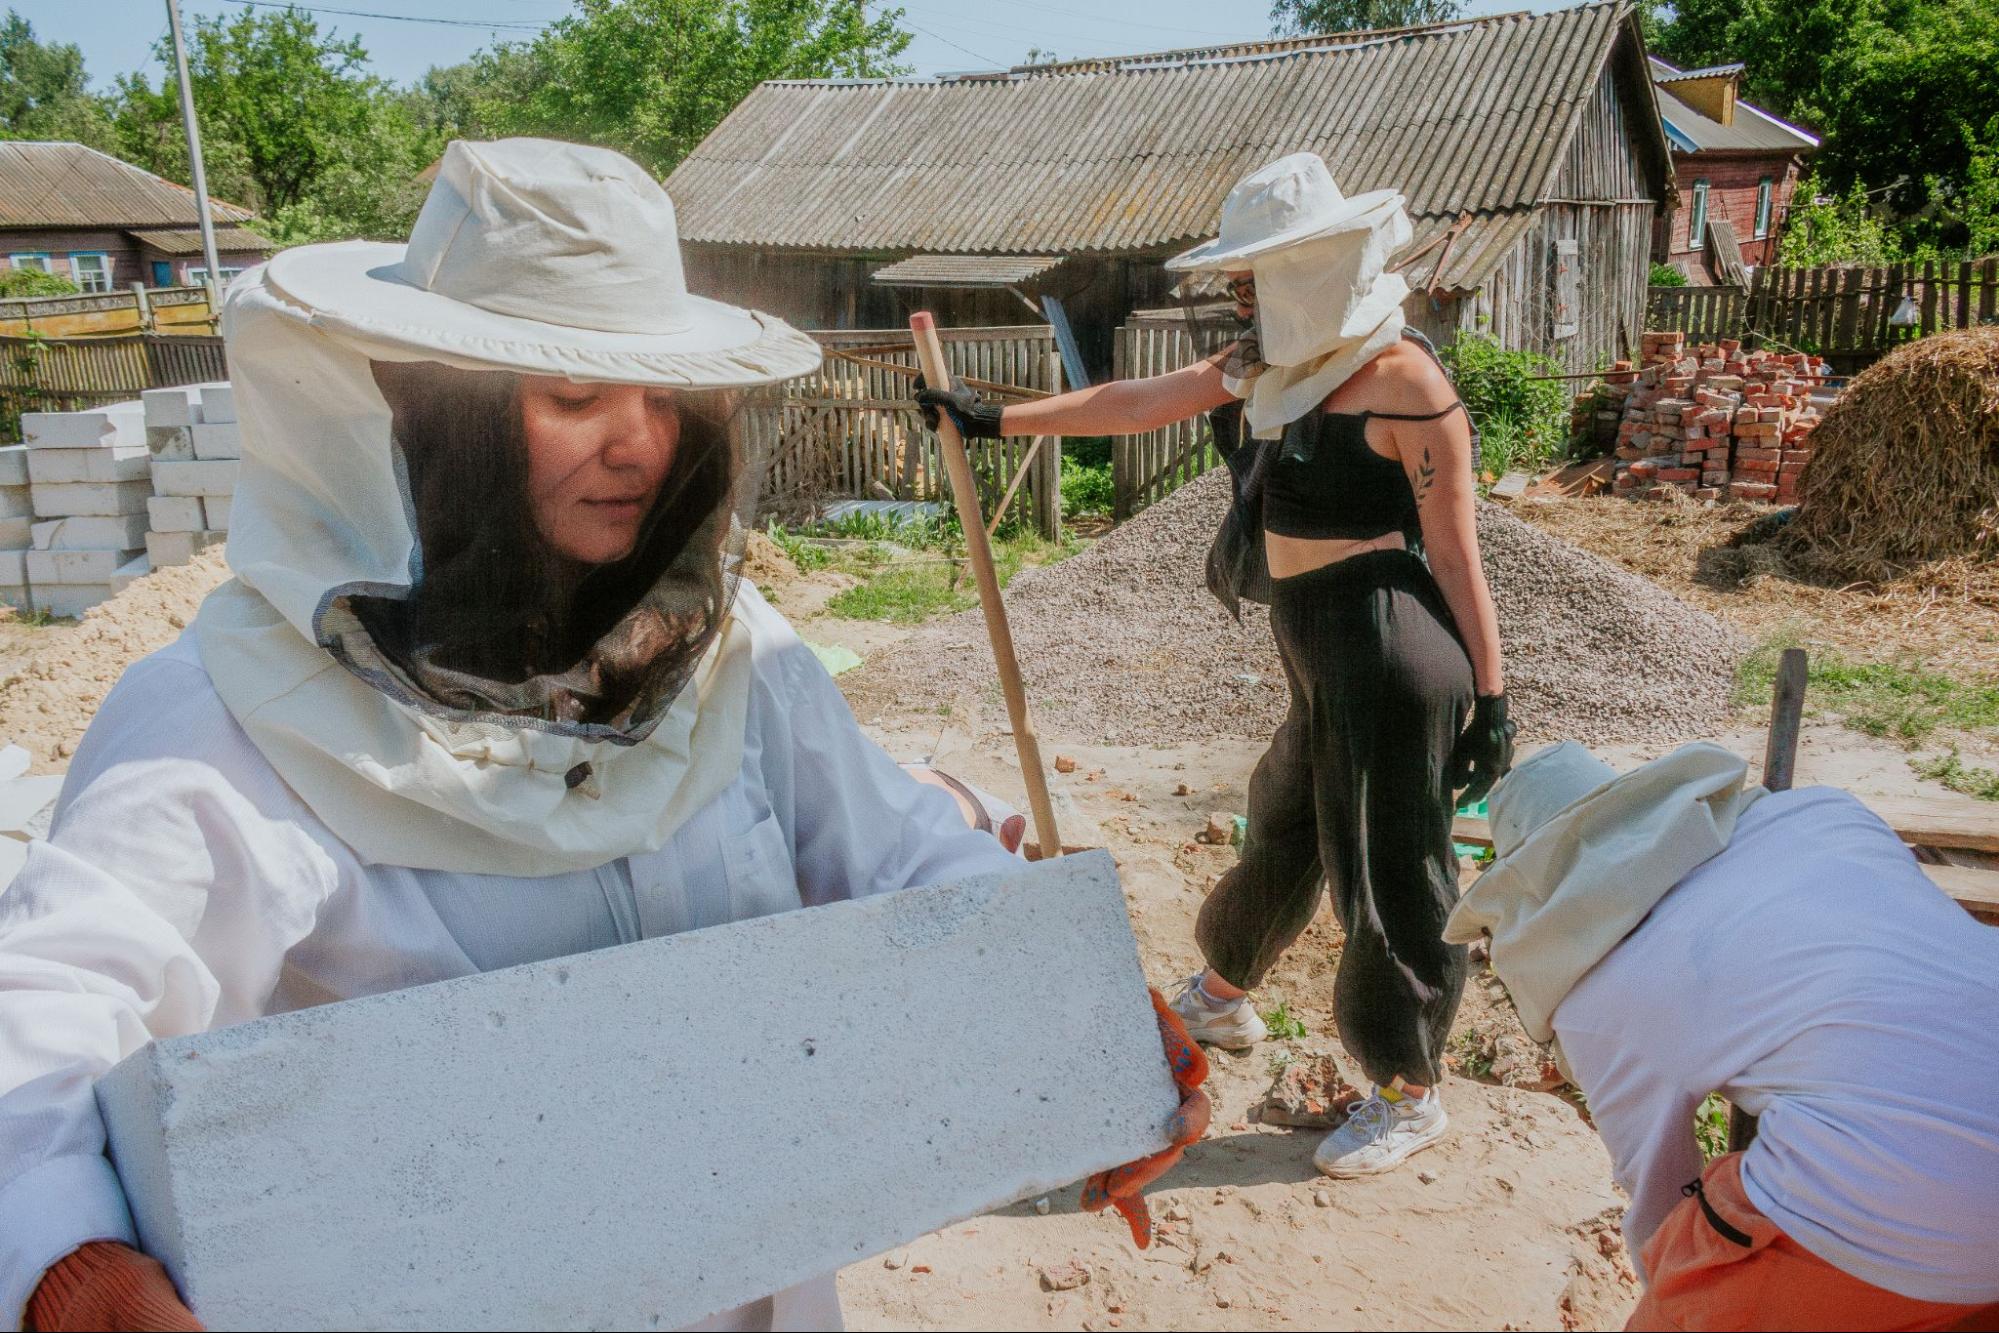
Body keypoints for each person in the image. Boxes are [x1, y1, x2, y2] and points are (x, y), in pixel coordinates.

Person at [0, 138, 1049, 1333]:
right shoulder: (227, 714)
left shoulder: (739, 652)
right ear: (443, 414)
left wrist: (1062, 998)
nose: (639, 445)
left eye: (664, 395)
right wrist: (65, 1257)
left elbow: (904, 850)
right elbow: (44, 1010)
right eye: (572, 396)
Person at [919, 153, 1514, 1179]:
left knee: (1388, 866)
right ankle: (1228, 990)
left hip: (1389, 651)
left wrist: (1494, 698)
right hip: (1318, 642)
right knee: (1285, 821)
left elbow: (1456, 549)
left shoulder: (1403, 376)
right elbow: (1137, 401)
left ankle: (1410, 1090)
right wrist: (996, 418)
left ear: (1310, 269)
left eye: (1252, 275)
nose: (1236, 293)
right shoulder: (1275, 361)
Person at [1446, 741, 1999, 1332]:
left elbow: (1659, 1193)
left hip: (1902, 1206)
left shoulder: (1599, 1000)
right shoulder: (1822, 814)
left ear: (1533, 895)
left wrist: (1674, 1301)